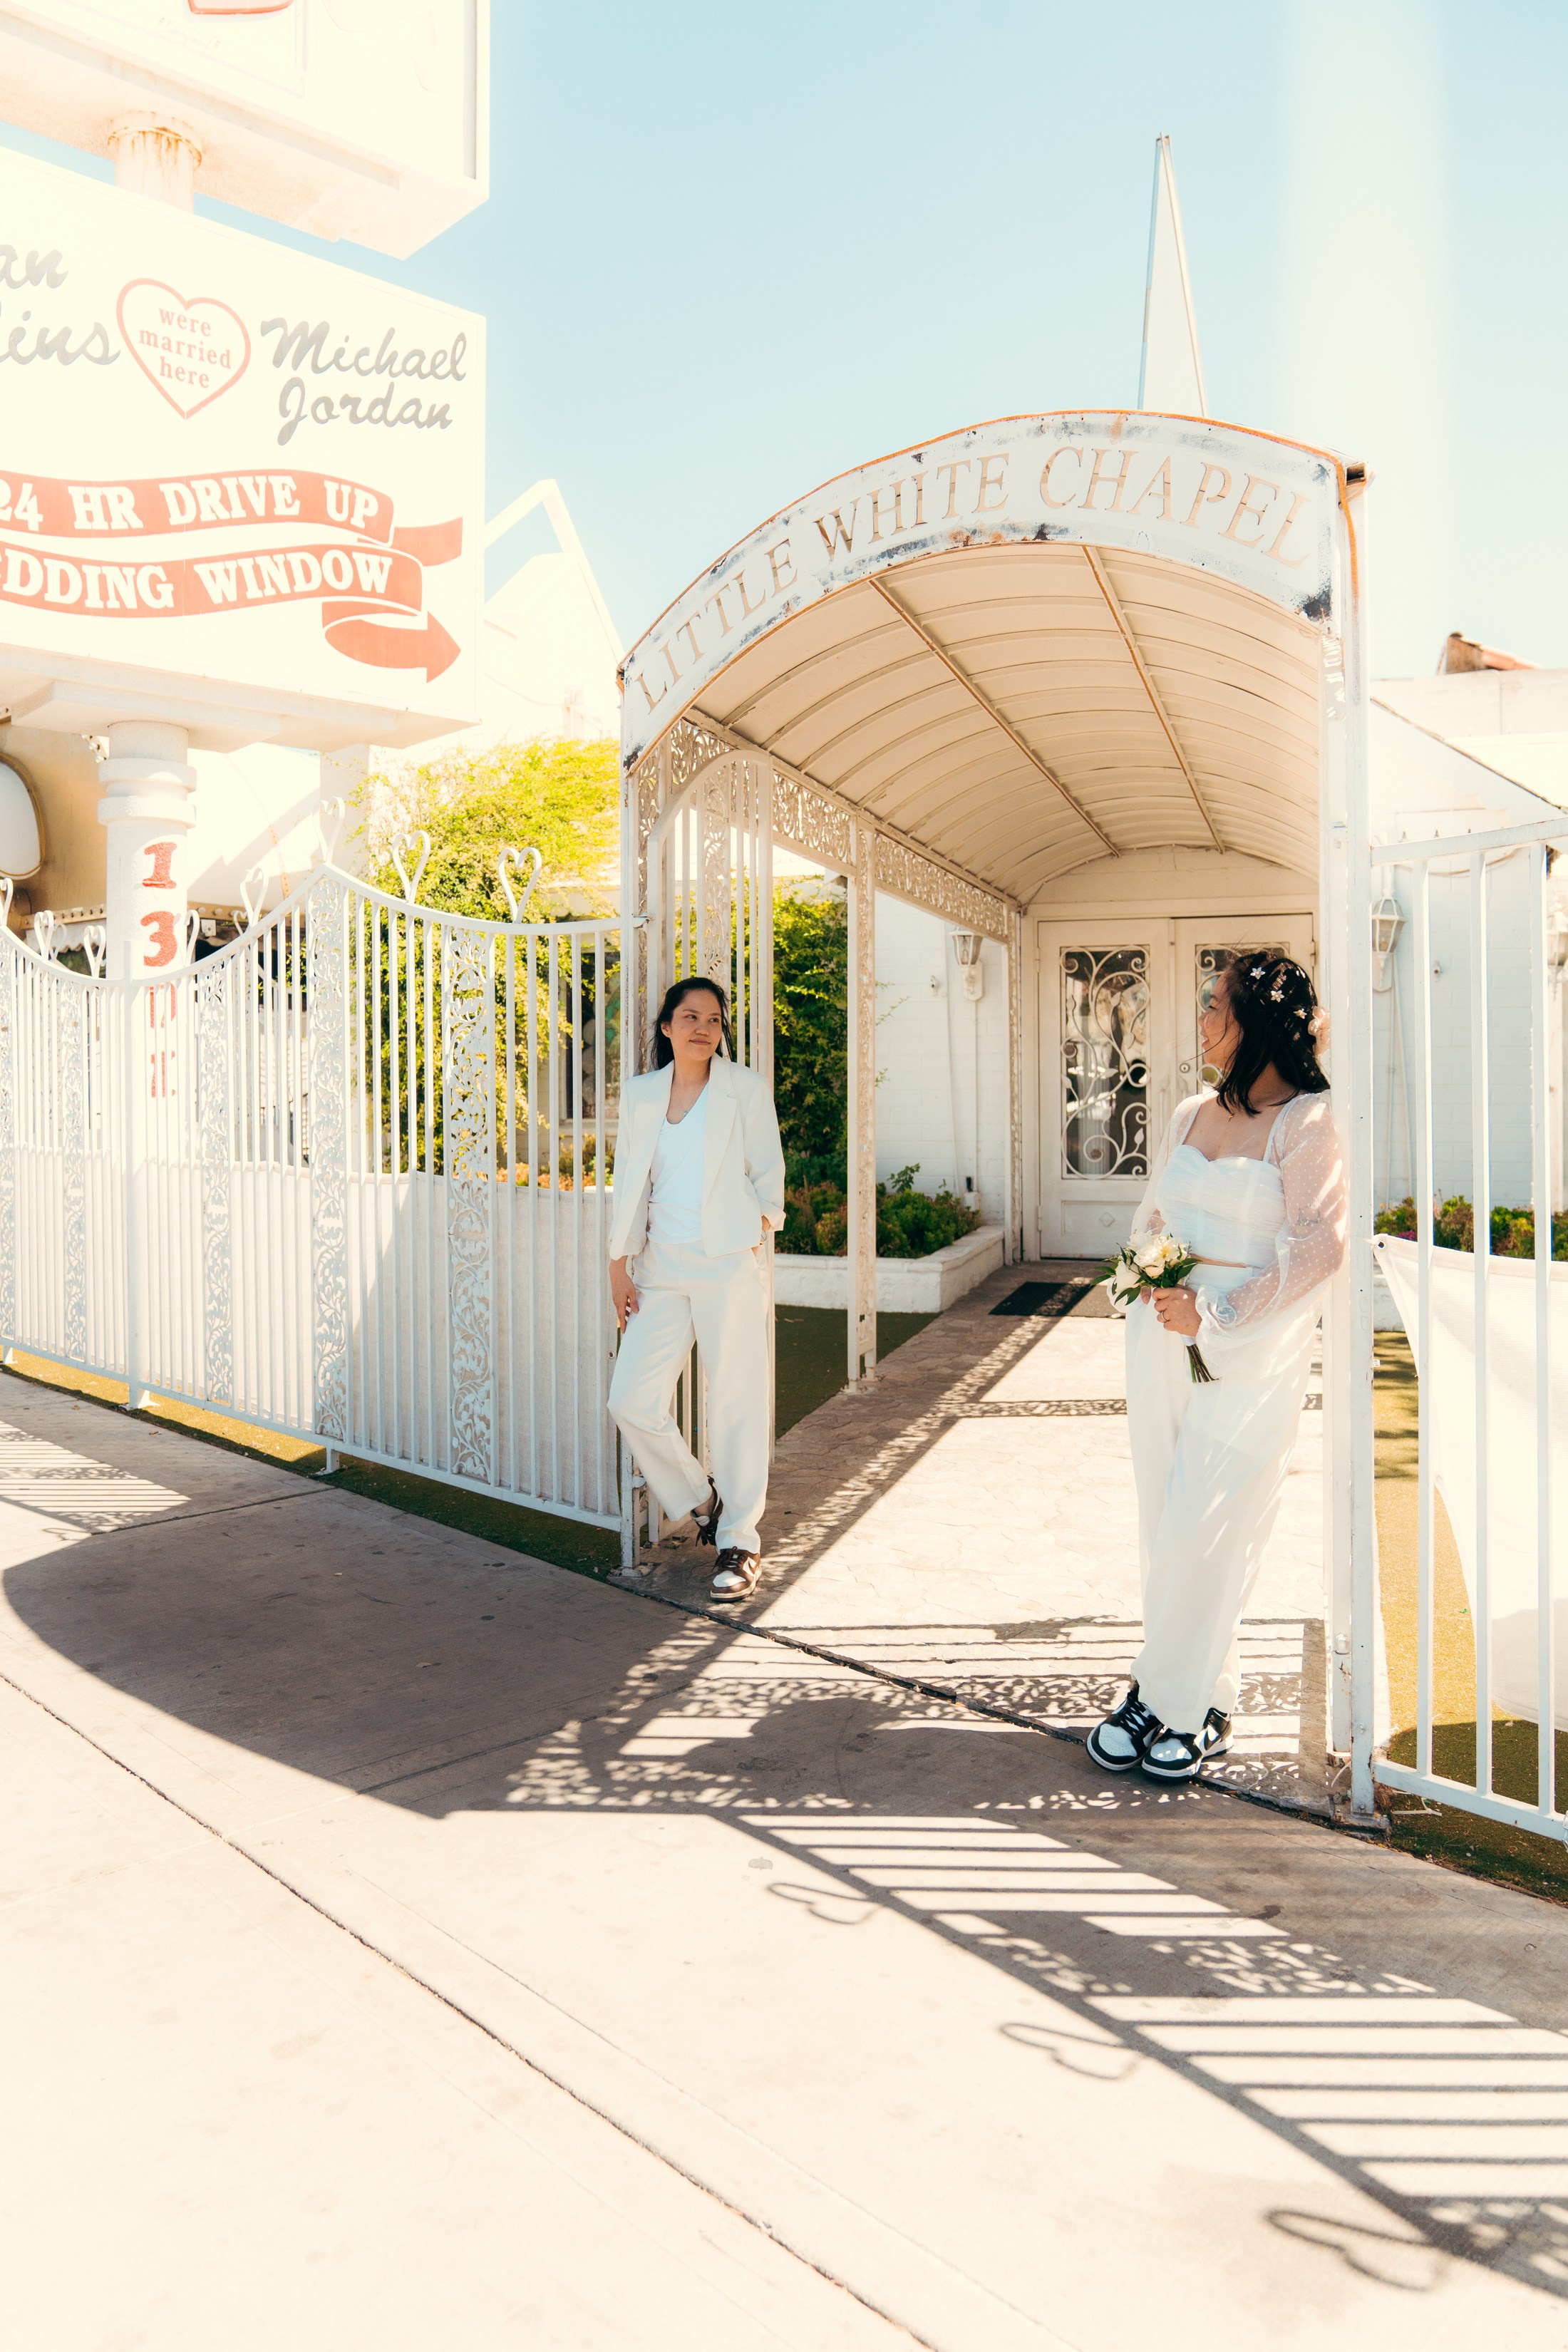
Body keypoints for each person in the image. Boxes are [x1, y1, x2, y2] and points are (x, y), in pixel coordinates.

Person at [1088, 951, 1348, 1783]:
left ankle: (1158, 1695)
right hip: (1161, 1339)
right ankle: (1198, 1699)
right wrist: (1148, 1285)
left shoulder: (1308, 1121)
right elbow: (1155, 1213)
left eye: (1214, 1003)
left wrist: (1216, 1313)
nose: (1201, 1019)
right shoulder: (1188, 1112)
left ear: (1255, 1021)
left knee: (1210, 1521)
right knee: (1165, 1520)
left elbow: (1319, 1247)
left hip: (1248, 1349)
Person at [607, 975, 785, 1602]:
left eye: (713, 1019)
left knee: (736, 1398)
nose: (702, 1028)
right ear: (666, 1027)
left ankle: (740, 1540)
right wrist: (618, 1263)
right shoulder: (640, 1096)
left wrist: (756, 1220)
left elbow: (770, 1174)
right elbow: (630, 1181)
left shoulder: (745, 1089)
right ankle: (702, 1500)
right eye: (689, 1017)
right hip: (659, 1266)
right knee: (629, 1400)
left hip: (727, 1264)